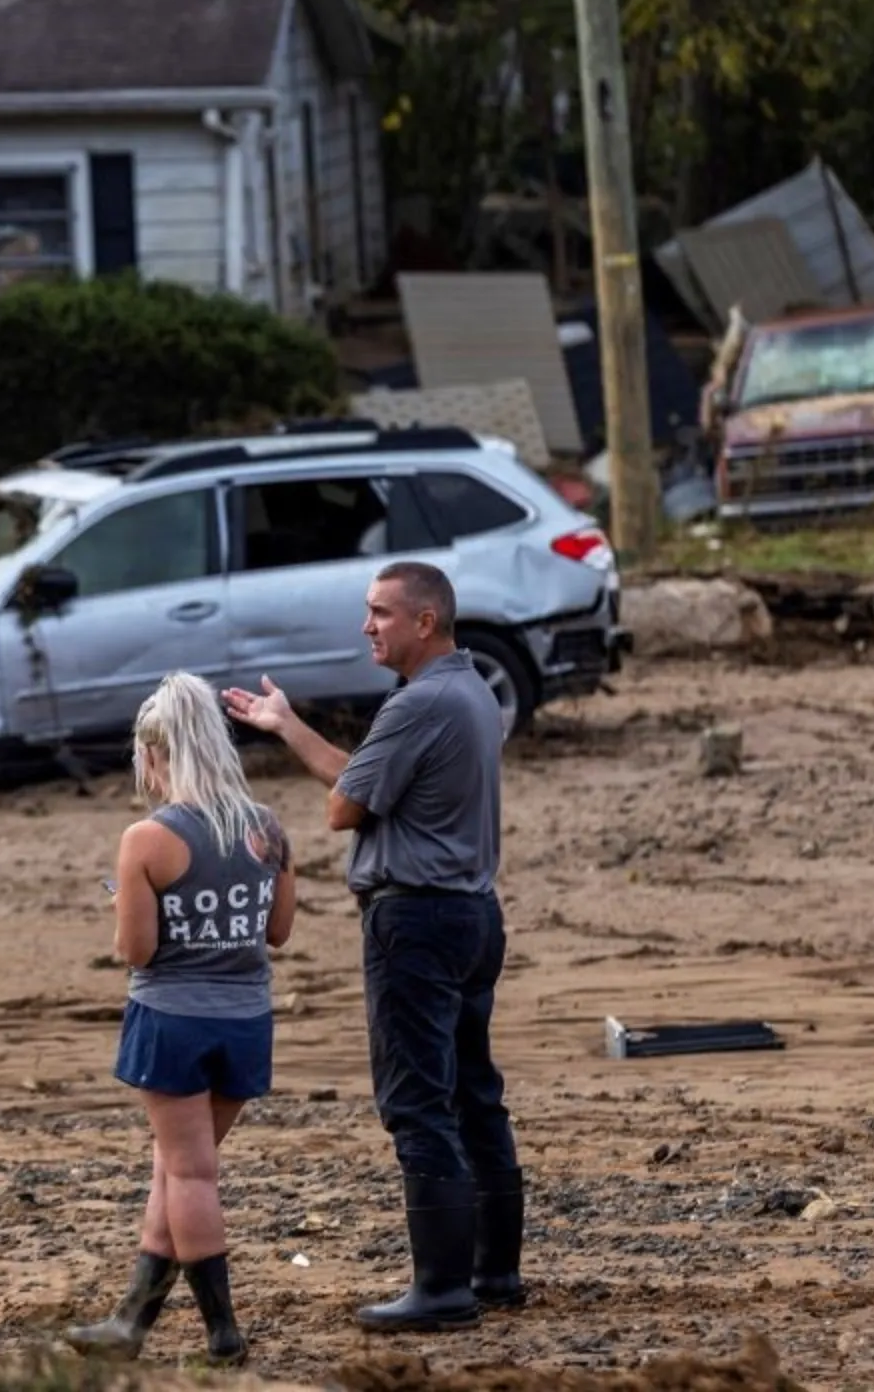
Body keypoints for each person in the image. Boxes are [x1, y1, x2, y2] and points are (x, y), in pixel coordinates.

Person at [221, 560, 520, 1333]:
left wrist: (292, 735)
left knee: (418, 1099)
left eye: (381, 612)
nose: (367, 625)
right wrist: (286, 724)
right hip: (472, 914)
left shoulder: (420, 704)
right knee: (472, 1093)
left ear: (426, 621)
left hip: (416, 922)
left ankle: (444, 1289)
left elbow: (343, 808)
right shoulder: (471, 691)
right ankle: (494, 1272)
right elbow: (361, 785)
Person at [65, 671, 297, 1366]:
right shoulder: (267, 828)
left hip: (173, 1019)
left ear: (158, 753)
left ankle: (222, 1332)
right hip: (246, 1019)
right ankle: (129, 1324)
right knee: (178, 1169)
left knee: (189, 1175)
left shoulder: (148, 839)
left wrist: (125, 905)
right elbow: (278, 931)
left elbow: (135, 950)